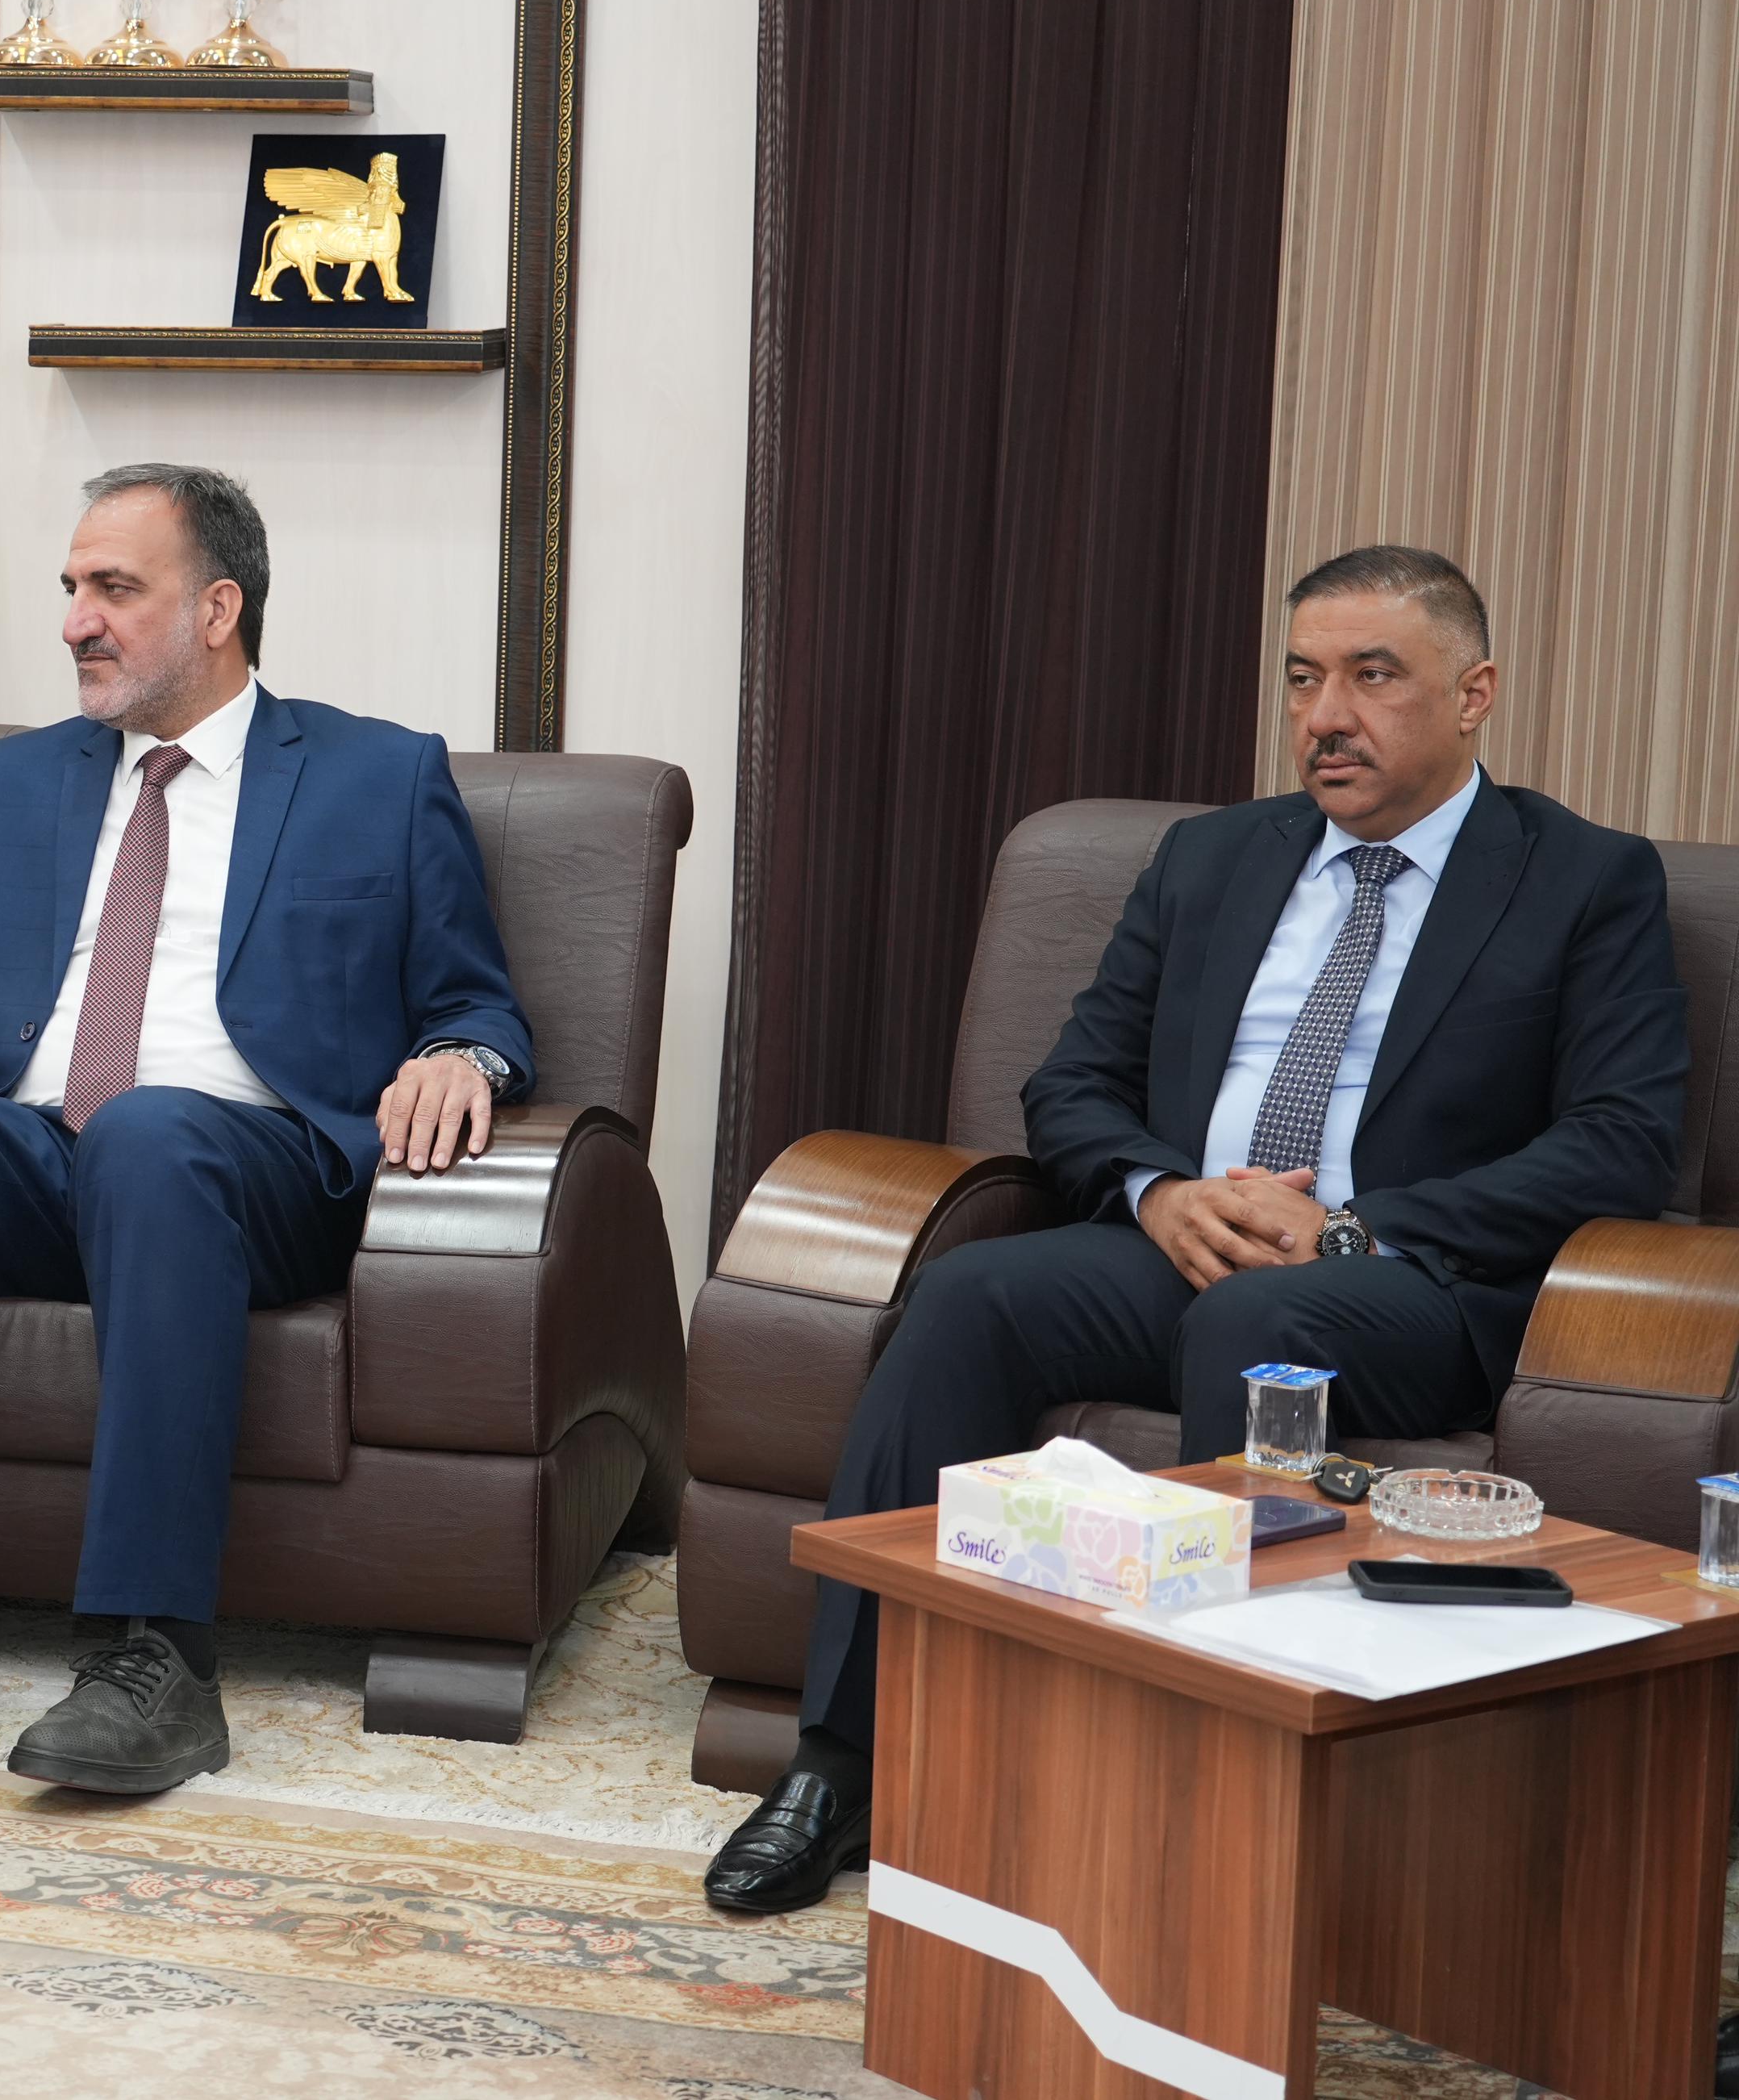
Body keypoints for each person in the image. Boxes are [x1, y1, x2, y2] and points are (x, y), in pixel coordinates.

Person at [703, 545, 1689, 1913]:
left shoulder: (1582, 877)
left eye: (1372, 676)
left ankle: (1205, 1796)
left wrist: (1351, 1227)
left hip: (1412, 1280)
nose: (1326, 715)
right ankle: (844, 1759)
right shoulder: (1214, 857)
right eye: (1302, 679)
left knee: (1259, 1320)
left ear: (1475, 694)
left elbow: (1623, 1138)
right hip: (1185, 1236)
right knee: (970, 1296)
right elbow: (1074, 1084)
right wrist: (1163, 1192)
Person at [0, 463, 533, 1794]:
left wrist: (457, 1055)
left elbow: (477, 1001)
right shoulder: (1, 784)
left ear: (217, 610)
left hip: (245, 1166)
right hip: (36, 1154)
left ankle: (155, 1654)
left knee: (149, 1135)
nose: (76, 618)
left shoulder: (377, 775)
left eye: (115, 588)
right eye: (72, 587)